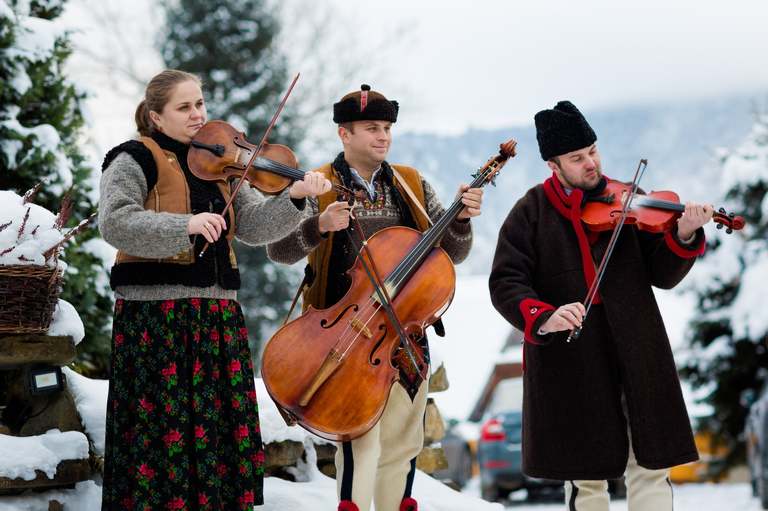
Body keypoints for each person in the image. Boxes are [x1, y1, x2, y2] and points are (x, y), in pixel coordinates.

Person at [98, 69, 331, 510]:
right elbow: (115, 222)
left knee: (218, 442)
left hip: (217, 320)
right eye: (184, 107)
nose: (197, 114)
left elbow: (257, 227)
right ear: (155, 116)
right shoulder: (134, 158)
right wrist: (184, 225)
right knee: (158, 441)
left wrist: (297, 197)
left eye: (200, 104)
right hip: (156, 322)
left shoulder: (221, 163)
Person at [266, 84, 483, 511]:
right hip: (341, 336)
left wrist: (459, 219)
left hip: (403, 336)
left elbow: (452, 253)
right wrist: (319, 227)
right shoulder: (318, 185)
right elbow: (279, 250)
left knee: (403, 443)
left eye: (386, 127)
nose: (383, 136)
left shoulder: (413, 184)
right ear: (344, 135)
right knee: (359, 442)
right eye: (371, 128)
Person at [488, 100, 714, 510]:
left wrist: (681, 233)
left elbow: (661, 274)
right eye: (577, 157)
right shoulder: (530, 213)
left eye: (593, 150)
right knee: (586, 479)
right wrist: (545, 315)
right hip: (572, 362)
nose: (591, 163)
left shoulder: (631, 199)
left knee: (650, 468)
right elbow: (505, 282)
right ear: (553, 165)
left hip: (639, 353)